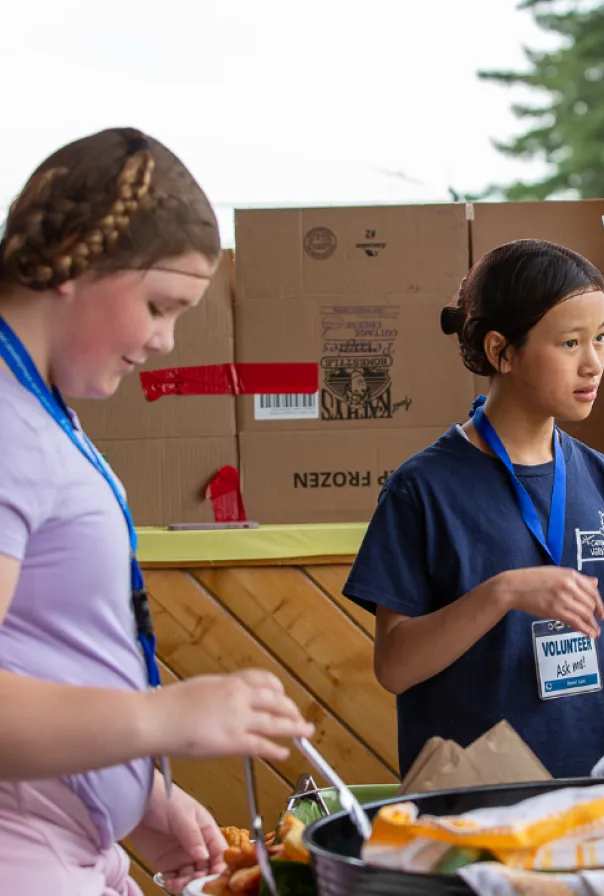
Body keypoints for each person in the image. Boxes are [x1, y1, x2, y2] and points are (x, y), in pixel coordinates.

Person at [0, 129, 315, 895]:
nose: (166, 341)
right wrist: (165, 720)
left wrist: (138, 794)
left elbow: (38, 643)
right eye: (158, 305)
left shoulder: (38, 408)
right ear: (76, 254)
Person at [344, 239, 604, 779]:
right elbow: (395, 667)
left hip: (601, 795)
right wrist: (503, 594)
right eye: (570, 343)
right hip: (474, 807)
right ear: (502, 351)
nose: (594, 363)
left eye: (600, 339)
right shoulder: (421, 489)